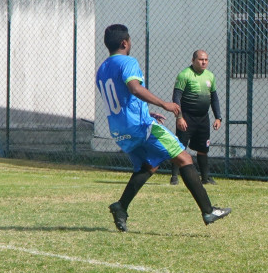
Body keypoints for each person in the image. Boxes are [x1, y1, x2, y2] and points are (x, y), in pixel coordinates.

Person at [96, 24, 230, 231]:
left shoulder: (102, 69)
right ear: (124, 43)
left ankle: (121, 206)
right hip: (141, 127)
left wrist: (147, 112)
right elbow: (134, 88)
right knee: (184, 158)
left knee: (150, 165)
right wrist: (163, 104)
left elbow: (121, 100)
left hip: (120, 129)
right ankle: (208, 210)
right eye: (130, 41)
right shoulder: (128, 62)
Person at [167, 50, 222, 185]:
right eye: (201, 59)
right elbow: (176, 98)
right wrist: (179, 117)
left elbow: (214, 98)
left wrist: (218, 117)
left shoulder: (210, 76)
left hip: (203, 118)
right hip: (187, 117)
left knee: (203, 149)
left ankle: (205, 178)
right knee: (180, 147)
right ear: (193, 60)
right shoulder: (184, 75)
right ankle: (174, 177)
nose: (204, 62)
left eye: (206, 60)